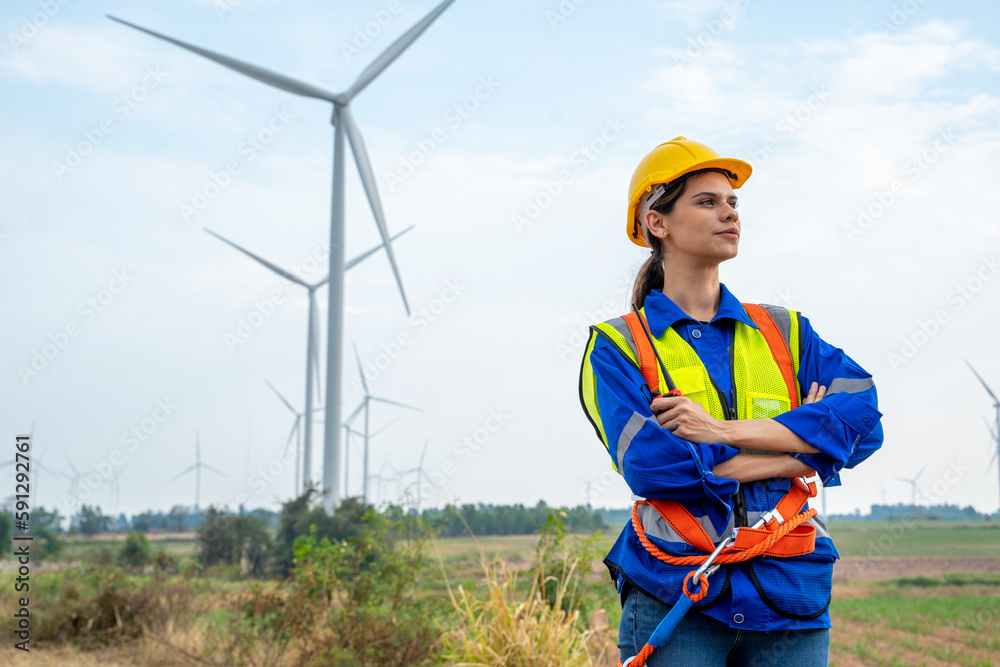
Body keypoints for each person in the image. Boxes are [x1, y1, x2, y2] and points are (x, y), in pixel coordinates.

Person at [578, 137, 883, 666]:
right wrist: (809, 451)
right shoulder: (619, 346)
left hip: (791, 595)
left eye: (733, 203)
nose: (729, 214)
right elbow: (657, 468)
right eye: (707, 202)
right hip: (677, 592)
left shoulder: (786, 331)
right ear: (658, 222)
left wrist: (718, 432)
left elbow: (863, 421)